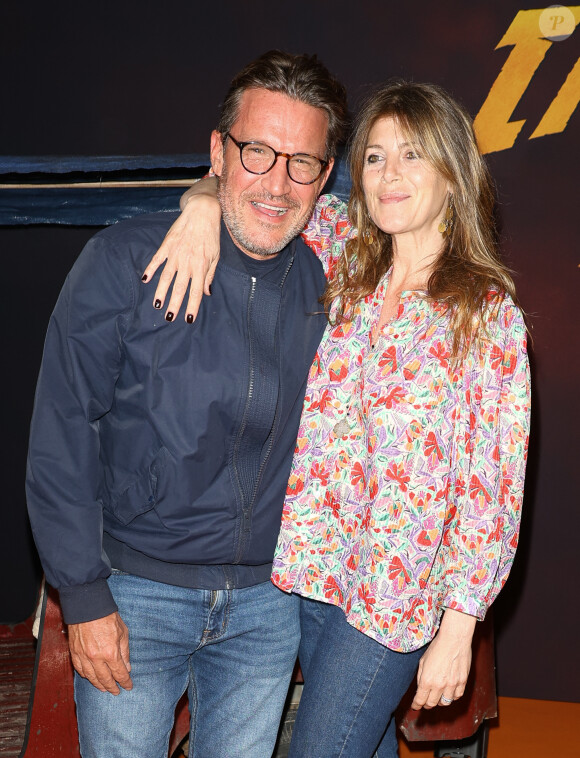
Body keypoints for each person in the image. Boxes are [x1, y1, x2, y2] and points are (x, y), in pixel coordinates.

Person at [143, 81, 531, 758]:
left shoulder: (486, 315)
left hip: (391, 598)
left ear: (453, 169)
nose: (388, 175)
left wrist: (459, 629)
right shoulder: (343, 254)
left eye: (411, 155)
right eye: (374, 157)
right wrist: (202, 206)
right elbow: (259, 199)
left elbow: (490, 494)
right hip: (314, 571)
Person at [25, 50, 348, 758]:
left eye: (302, 162)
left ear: (325, 176)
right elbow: (61, 431)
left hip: (267, 609)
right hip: (135, 596)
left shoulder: (336, 284)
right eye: (257, 151)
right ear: (218, 150)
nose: (277, 182)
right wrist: (83, 597)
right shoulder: (126, 262)